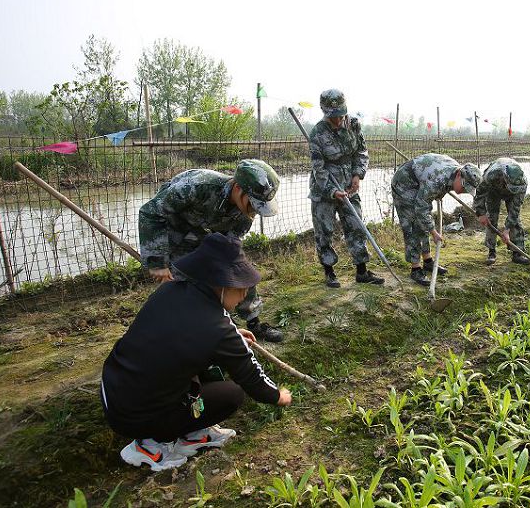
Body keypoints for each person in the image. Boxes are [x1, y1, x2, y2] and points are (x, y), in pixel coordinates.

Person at [101, 233, 292, 471]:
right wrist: (278, 396)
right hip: (138, 416)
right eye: (240, 286)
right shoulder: (217, 328)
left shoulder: (170, 291)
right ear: (221, 283)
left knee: (208, 367)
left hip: (115, 393)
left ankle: (189, 433)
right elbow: (252, 378)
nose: (244, 294)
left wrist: (231, 338)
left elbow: (176, 339)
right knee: (232, 395)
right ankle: (150, 445)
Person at [138, 159, 284, 342]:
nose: (255, 210)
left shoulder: (245, 213)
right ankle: (202, 332)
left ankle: (254, 324)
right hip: (173, 234)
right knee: (183, 287)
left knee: (240, 271)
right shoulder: (197, 186)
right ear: (238, 188)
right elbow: (150, 213)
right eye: (254, 203)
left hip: (205, 237)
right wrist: (157, 262)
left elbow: (231, 250)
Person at [308, 89, 384, 288]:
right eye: (333, 115)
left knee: (356, 226)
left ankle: (362, 271)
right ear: (325, 112)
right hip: (324, 187)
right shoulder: (317, 132)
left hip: (349, 184)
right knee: (324, 230)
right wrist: (331, 191)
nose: (338, 119)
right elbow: (318, 167)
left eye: (341, 114)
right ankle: (329, 272)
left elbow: (361, 152)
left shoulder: (354, 124)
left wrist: (357, 175)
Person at [391, 153, 482, 285]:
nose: (464, 191)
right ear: (458, 175)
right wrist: (433, 232)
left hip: (419, 181)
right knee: (413, 224)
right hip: (404, 184)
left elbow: (442, 186)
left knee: (422, 222)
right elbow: (421, 208)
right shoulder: (437, 179)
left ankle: (427, 262)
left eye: (468, 189)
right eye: (464, 186)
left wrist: (440, 193)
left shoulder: (454, 172)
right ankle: (415, 268)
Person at [472, 158, 530, 265]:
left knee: (515, 220)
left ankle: (517, 253)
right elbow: (480, 193)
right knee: (491, 218)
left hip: (513, 195)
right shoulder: (491, 175)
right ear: (505, 179)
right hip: (493, 190)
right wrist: (480, 213)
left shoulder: (522, 184)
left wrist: (507, 230)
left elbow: (515, 210)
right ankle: (491, 252)